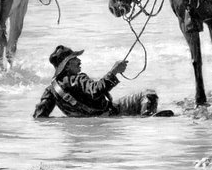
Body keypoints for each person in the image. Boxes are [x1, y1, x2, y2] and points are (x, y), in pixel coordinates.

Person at [33, 45, 169, 118]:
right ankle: (148, 119)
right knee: (149, 94)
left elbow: (40, 117)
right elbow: (96, 91)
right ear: (67, 65)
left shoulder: (51, 90)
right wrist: (114, 72)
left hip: (95, 117)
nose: (80, 61)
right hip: (111, 111)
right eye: (75, 59)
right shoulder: (79, 78)